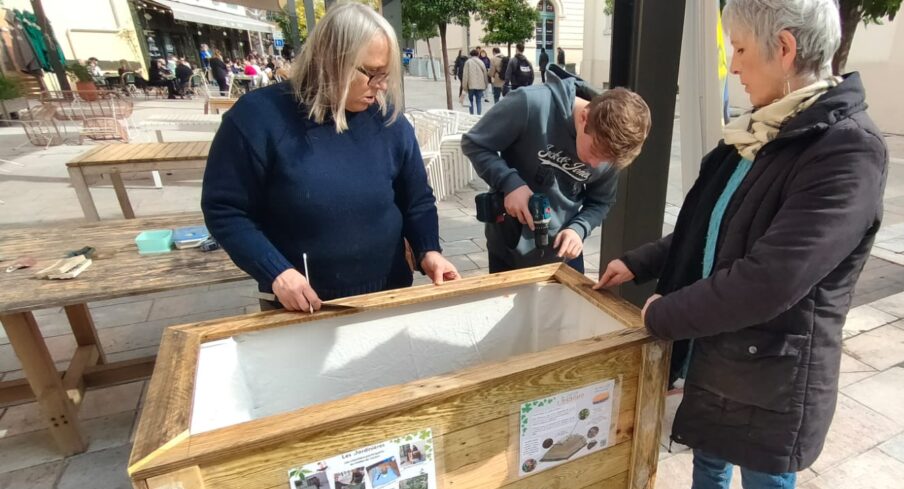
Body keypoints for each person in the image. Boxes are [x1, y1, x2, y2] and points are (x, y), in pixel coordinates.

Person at [593, 0, 887, 489]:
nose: (734, 69)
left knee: (768, 480)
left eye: (741, 52)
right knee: (710, 446)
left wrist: (661, 315)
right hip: (723, 343)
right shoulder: (759, 134)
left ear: (783, 48)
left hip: (776, 363)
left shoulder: (844, 151)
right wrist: (643, 261)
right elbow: (708, 228)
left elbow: (771, 277)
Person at [202, 3, 460, 312]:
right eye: (372, 73)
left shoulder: (389, 122)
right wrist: (276, 273)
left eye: (386, 74)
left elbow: (416, 200)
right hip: (302, 303)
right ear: (333, 61)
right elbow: (225, 209)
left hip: (388, 293)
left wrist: (428, 250)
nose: (382, 86)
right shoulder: (259, 118)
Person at [461, 70, 651, 274]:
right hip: (509, 248)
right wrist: (510, 183)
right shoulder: (530, 104)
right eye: (595, 151)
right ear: (584, 118)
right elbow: (475, 143)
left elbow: (601, 201)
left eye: (606, 160)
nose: (595, 164)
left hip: (563, 255)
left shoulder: (612, 150)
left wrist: (578, 229)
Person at [462, 49, 488, 116]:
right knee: (478, 101)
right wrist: (486, 84)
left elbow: (465, 75)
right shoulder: (481, 62)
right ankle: (478, 115)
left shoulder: (468, 62)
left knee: (470, 101)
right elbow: (485, 74)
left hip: (471, 85)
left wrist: (464, 86)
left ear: (470, 54)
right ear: (478, 54)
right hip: (480, 85)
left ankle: (471, 115)